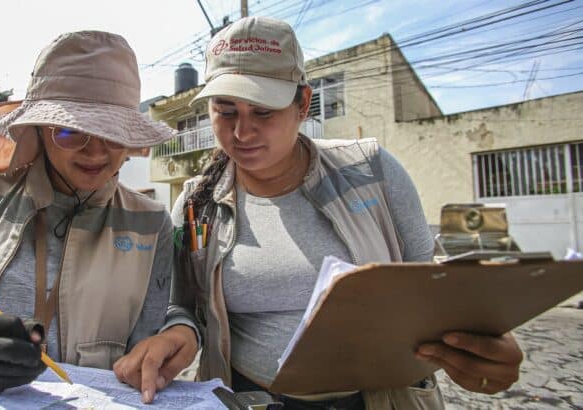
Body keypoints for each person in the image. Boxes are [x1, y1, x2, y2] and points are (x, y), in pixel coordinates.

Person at [113, 17, 523, 408]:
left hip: (378, 400)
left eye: (263, 111)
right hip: (248, 399)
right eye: (225, 110)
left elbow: (430, 288)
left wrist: (477, 348)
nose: (241, 132)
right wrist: (179, 331)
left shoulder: (370, 172)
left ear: (303, 104)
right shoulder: (196, 203)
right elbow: (181, 303)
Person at [0, 30, 198, 395]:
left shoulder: (150, 222)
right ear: (39, 130)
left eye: (113, 135)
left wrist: (178, 331)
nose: (94, 153)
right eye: (69, 132)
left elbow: (160, 326)